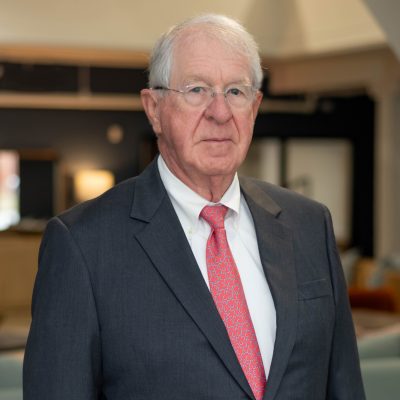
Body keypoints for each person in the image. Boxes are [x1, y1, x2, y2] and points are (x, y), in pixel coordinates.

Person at [23, 14, 365, 400]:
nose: (220, 112)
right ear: (154, 109)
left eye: (235, 91)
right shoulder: (83, 244)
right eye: (197, 90)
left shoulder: (309, 224)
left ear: (254, 108)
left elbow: (344, 386)